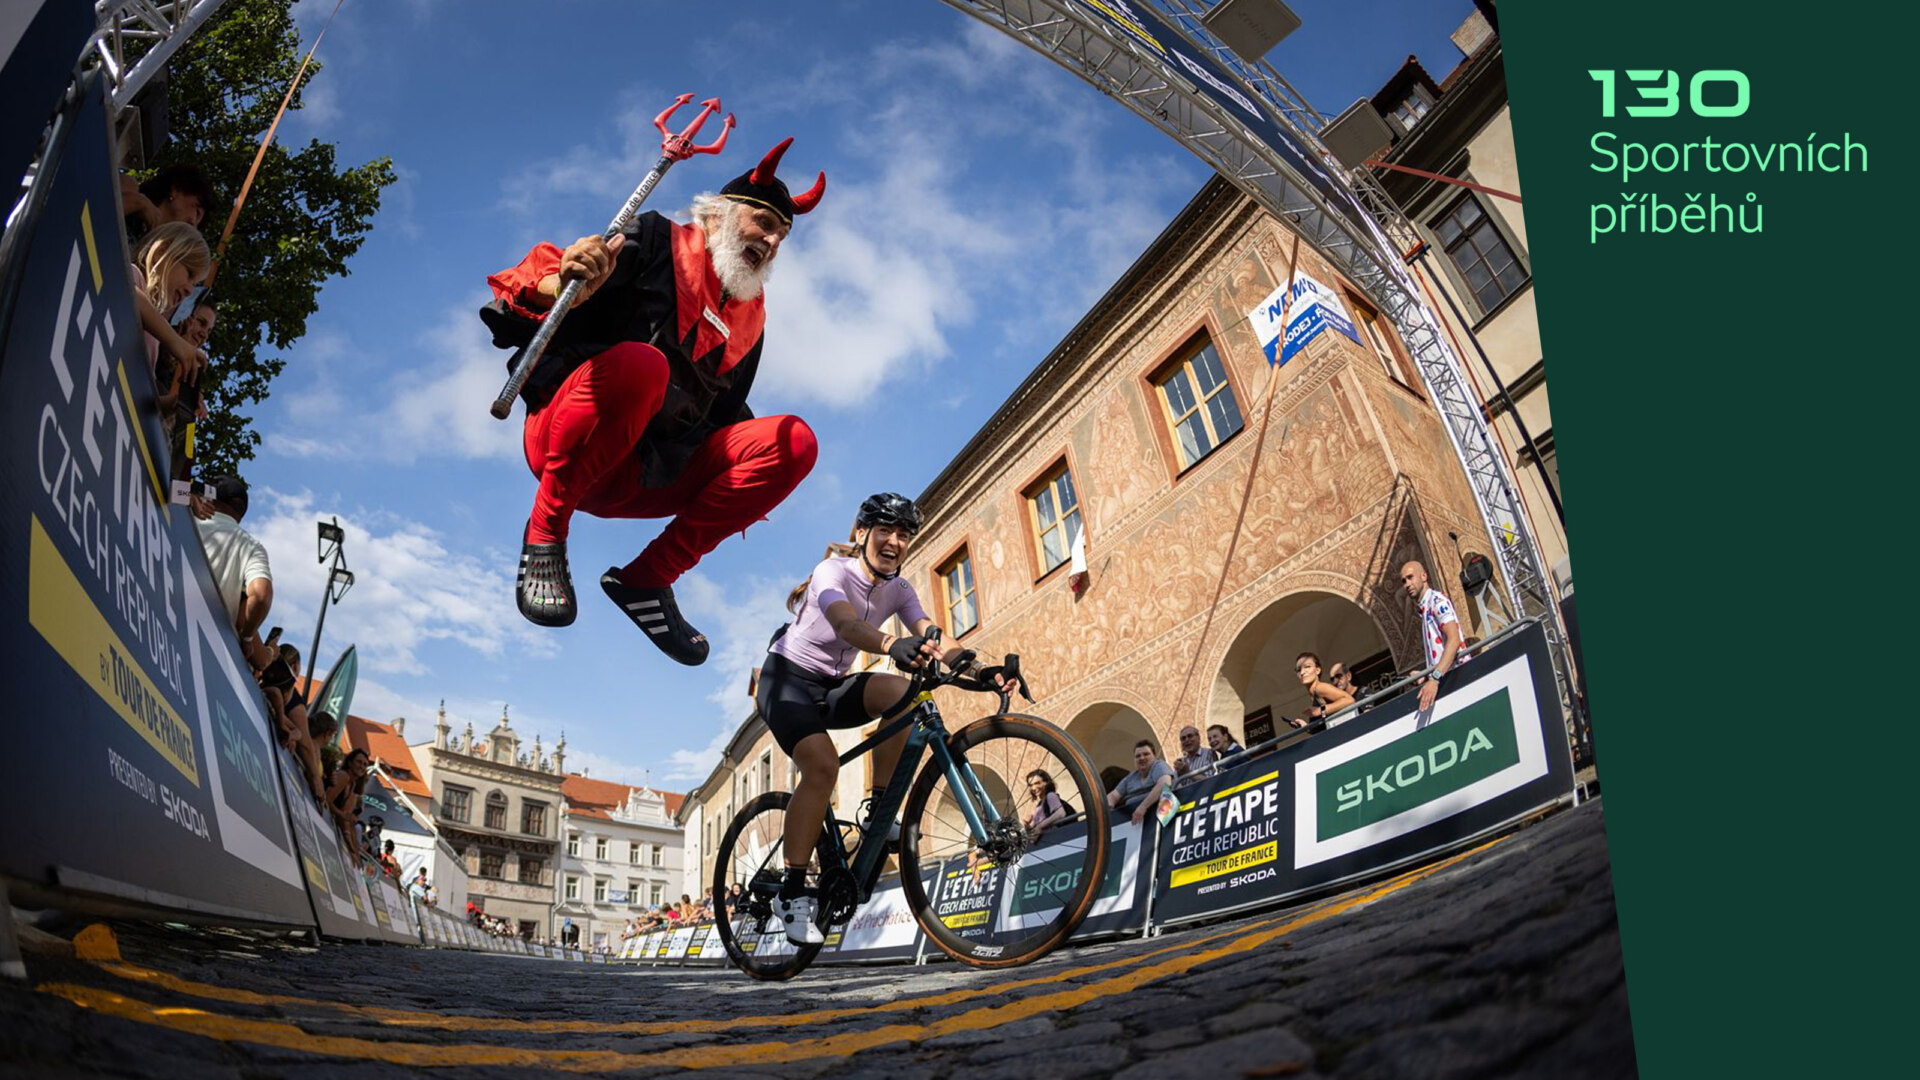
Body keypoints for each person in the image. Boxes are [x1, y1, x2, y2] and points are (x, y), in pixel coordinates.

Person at [484, 139, 829, 665]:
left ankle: (648, 580)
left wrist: (753, 479)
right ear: (718, 214)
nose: (773, 238)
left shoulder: (752, 319)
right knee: (646, 367)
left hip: (647, 478)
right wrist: (565, 282)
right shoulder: (654, 238)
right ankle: (546, 531)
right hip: (569, 438)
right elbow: (541, 285)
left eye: (782, 233)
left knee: (794, 441)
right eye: (763, 221)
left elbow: (725, 419)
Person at [754, 493, 1019, 945]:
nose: (895, 542)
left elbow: (932, 635)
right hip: (787, 682)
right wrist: (888, 645)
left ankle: (878, 806)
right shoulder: (831, 572)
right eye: (885, 531)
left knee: (903, 694)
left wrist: (979, 668)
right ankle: (793, 891)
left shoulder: (899, 589)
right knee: (822, 766)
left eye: (904, 535)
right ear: (862, 535)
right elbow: (845, 625)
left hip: (832, 686)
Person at [192, 476, 273, 660]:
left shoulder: (184, 515)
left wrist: (187, 497)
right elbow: (261, 596)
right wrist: (247, 637)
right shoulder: (252, 547)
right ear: (241, 513)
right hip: (207, 652)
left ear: (210, 498)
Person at [130, 222, 210, 385]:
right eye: (189, 273)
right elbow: (126, 291)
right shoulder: (133, 276)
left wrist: (166, 405)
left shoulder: (155, 337)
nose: (189, 291)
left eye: (194, 283)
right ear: (161, 252)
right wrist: (175, 341)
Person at [1400, 561, 1465, 711]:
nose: (1407, 584)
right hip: (1447, 680)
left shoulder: (1437, 601)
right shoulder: (1424, 608)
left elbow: (1454, 640)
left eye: (1410, 577)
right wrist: (1425, 674)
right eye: (1403, 581)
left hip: (1457, 677)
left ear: (1424, 576)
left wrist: (1434, 678)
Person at [122, 163, 216, 237]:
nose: (193, 224)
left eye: (198, 225)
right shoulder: (129, 187)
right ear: (176, 190)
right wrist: (140, 203)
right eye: (197, 212)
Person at [1106, 741, 1174, 827]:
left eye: (1146, 754)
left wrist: (1143, 807)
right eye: (1138, 756)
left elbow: (1165, 784)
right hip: (1134, 823)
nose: (1142, 758)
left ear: (1154, 756)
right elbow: (1113, 795)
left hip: (1158, 820)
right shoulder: (1131, 777)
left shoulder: (1159, 766)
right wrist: (1109, 803)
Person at [1293, 652, 1356, 729]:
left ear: (1317, 670)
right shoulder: (1314, 693)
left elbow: (1349, 700)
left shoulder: (1320, 687)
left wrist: (1320, 710)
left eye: (1307, 667)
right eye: (1299, 670)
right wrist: (1305, 727)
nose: (1302, 672)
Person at [1024, 769, 1070, 837]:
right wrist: (1026, 825)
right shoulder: (1039, 806)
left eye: (1037, 783)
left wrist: (1040, 826)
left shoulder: (1050, 795)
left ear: (1046, 783)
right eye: (1031, 785)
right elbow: (1033, 828)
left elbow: (1061, 813)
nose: (1033, 788)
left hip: (1059, 837)